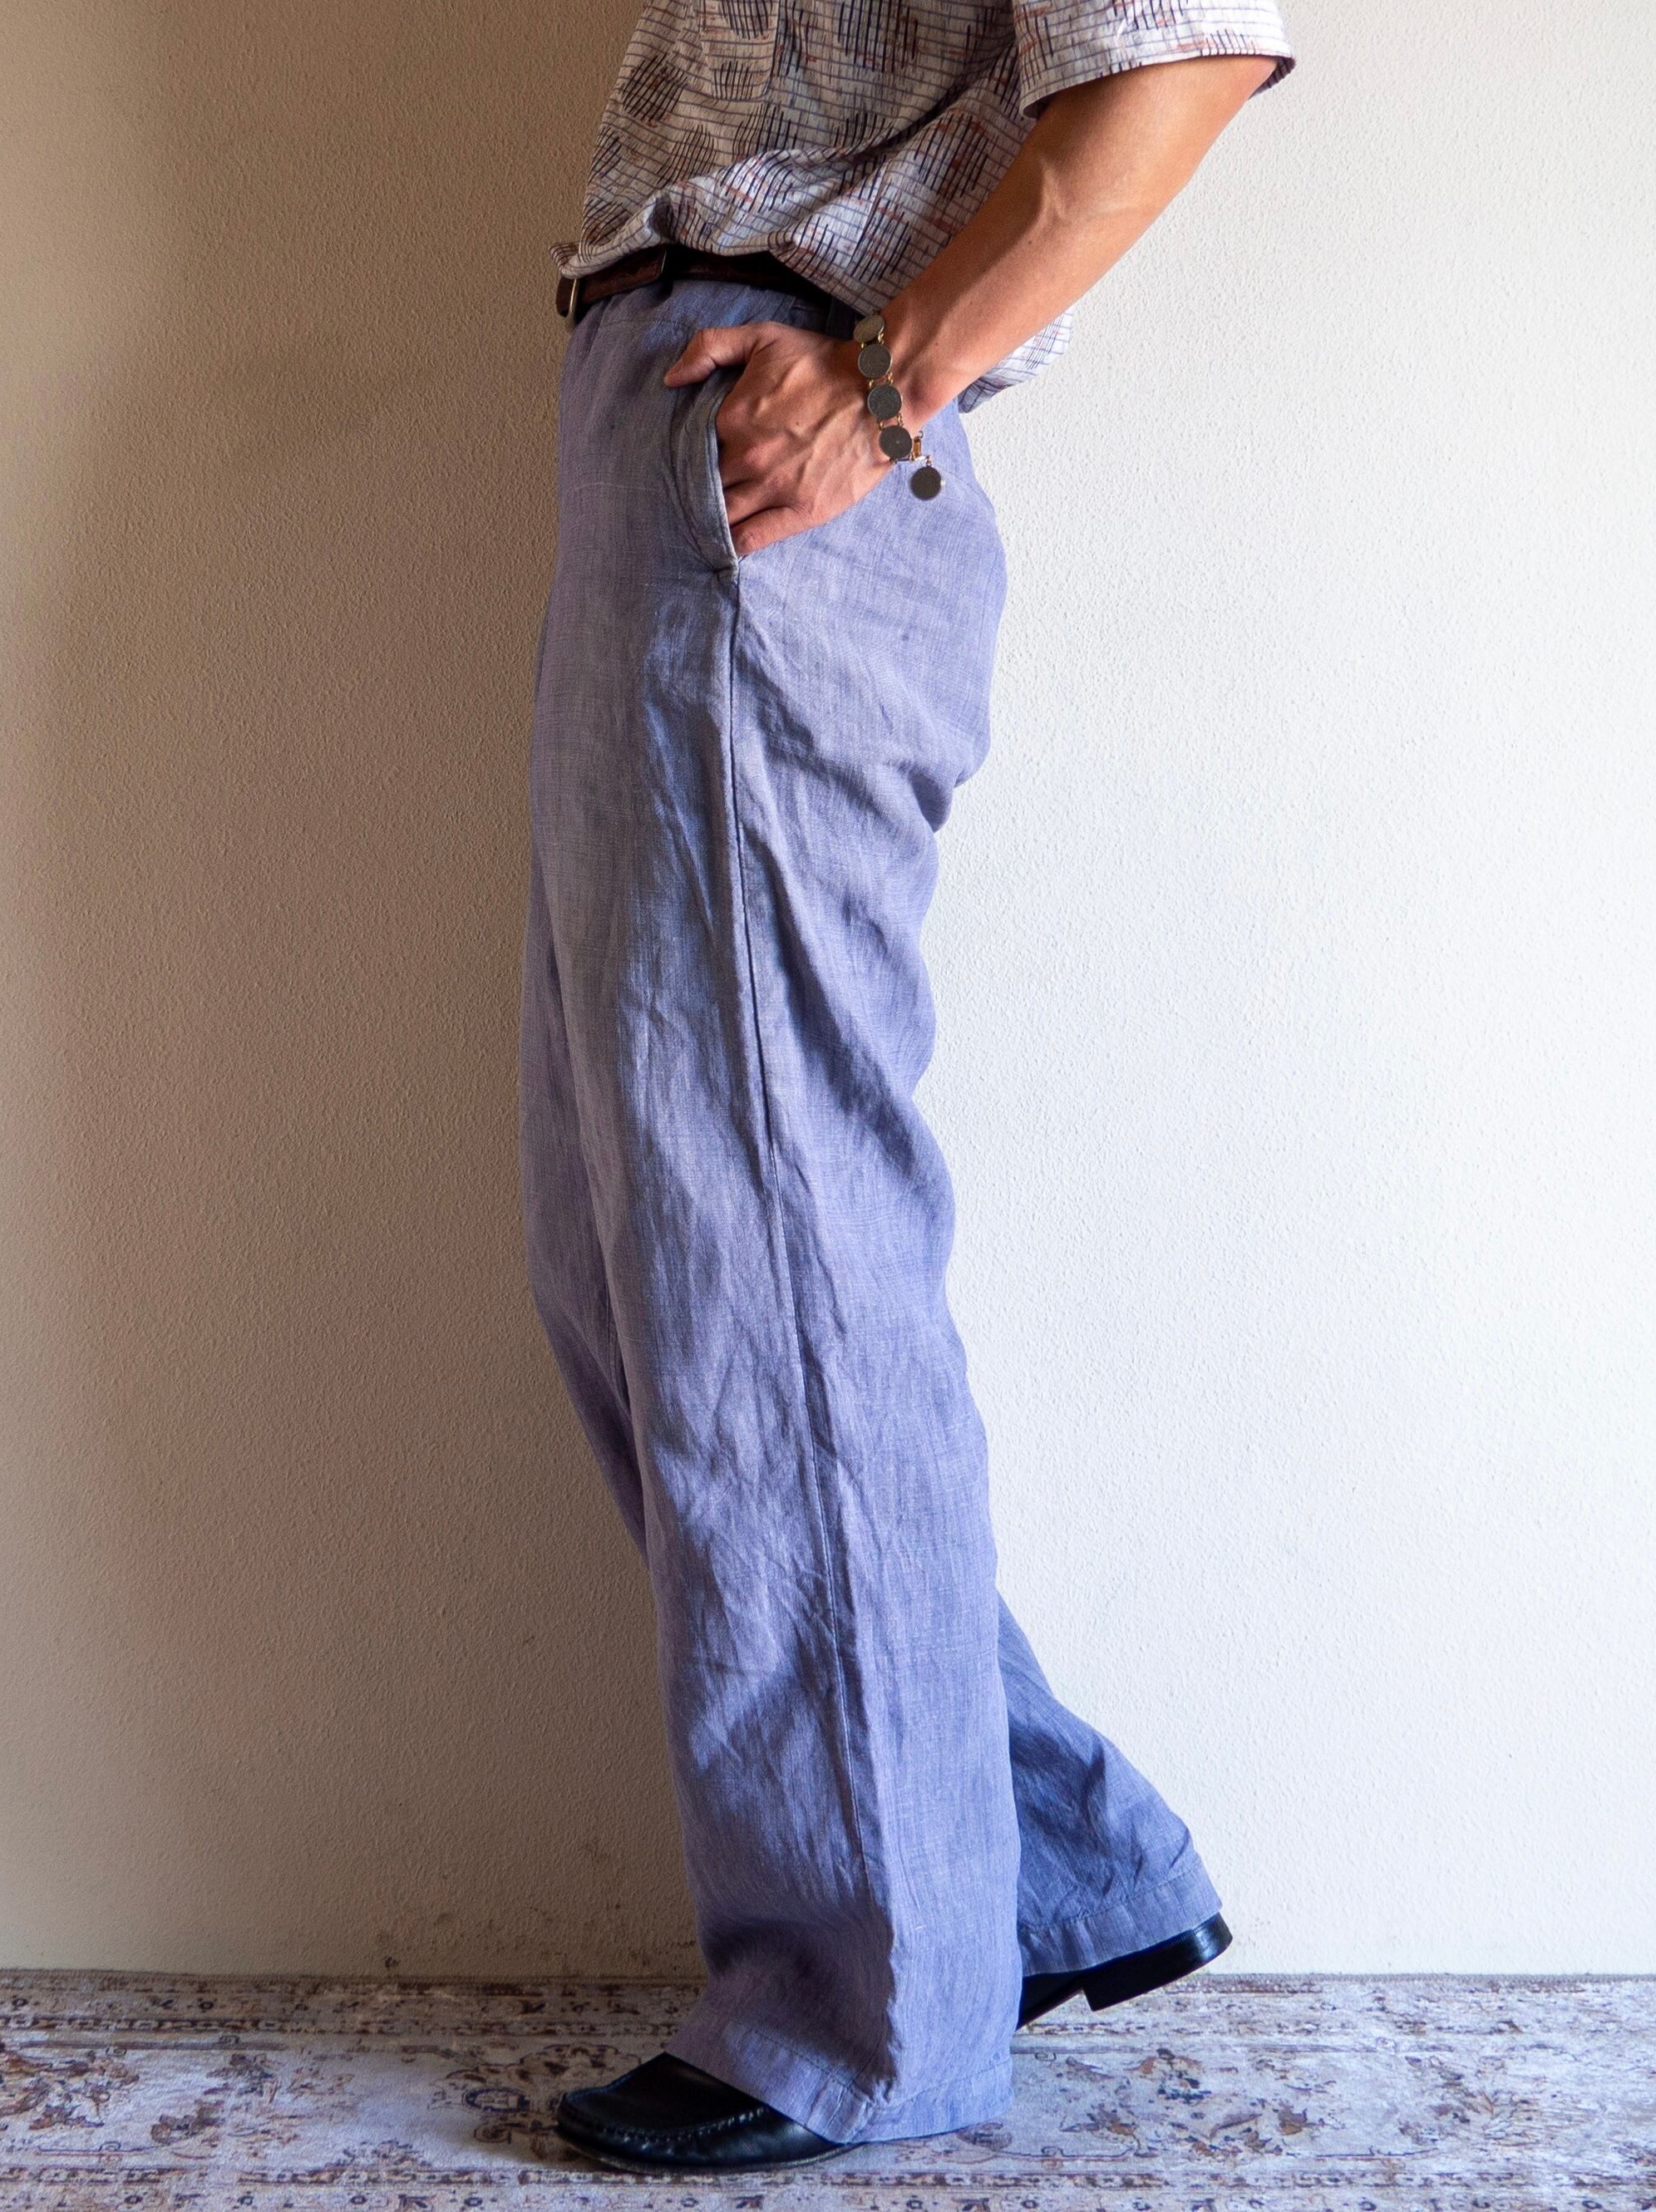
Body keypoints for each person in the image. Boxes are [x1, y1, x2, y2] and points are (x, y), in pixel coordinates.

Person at [519, 0, 1294, 2176]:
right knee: (635, 1260)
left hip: (785, 431)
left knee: (757, 1255)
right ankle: (1034, 1870)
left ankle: (868, 2004)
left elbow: (1183, 50)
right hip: (689, 417)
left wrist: (882, 373)